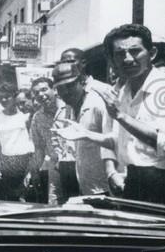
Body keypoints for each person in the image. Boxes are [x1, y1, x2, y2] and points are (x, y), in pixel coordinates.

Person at [96, 24, 165, 206]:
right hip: (131, 182)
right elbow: (113, 140)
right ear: (112, 59)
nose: (128, 59)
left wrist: (121, 116)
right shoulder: (121, 92)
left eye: (135, 51)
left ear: (152, 53)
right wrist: (111, 172)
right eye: (120, 54)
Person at [50, 62, 118, 197]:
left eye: (70, 86)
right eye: (60, 88)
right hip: (86, 185)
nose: (66, 92)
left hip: (107, 186)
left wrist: (112, 173)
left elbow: (114, 142)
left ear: (82, 81)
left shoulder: (98, 103)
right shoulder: (68, 107)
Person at [0, 82, 35, 202]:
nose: (4, 100)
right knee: (4, 199)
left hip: (24, 160)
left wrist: (31, 168)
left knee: (23, 197)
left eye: (7, 96)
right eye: (1, 98)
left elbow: (33, 142)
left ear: (14, 96)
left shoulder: (24, 115)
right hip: (6, 161)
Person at [28, 76, 61, 204]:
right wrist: (35, 172)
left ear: (54, 90)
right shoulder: (37, 118)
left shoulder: (68, 109)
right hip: (54, 168)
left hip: (74, 165)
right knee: (54, 204)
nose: (41, 95)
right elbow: (38, 147)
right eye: (37, 93)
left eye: (44, 89)